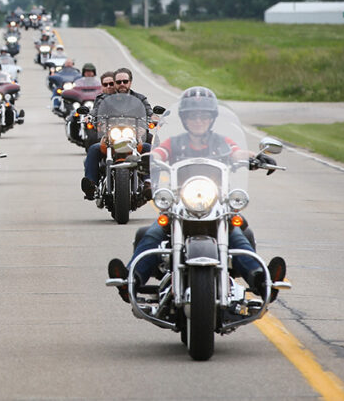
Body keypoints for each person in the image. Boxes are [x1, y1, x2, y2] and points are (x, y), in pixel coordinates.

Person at [106, 86, 285, 303]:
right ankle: (131, 280)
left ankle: (261, 280)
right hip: (180, 204)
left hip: (216, 204)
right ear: (184, 118)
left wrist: (257, 157)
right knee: (152, 234)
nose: (198, 120)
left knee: (237, 236)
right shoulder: (175, 142)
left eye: (203, 116)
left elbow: (238, 152)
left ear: (211, 118)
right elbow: (159, 153)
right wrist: (144, 158)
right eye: (193, 116)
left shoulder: (221, 142)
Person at [81, 67, 153, 199]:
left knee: (148, 148)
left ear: (130, 82)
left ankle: (149, 183)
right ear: (114, 83)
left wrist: (153, 118)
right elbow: (96, 112)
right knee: (94, 149)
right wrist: (91, 117)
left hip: (133, 137)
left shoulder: (140, 99)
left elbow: (148, 112)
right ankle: (91, 185)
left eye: (125, 81)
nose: (122, 84)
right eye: (119, 82)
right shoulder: (104, 100)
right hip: (111, 137)